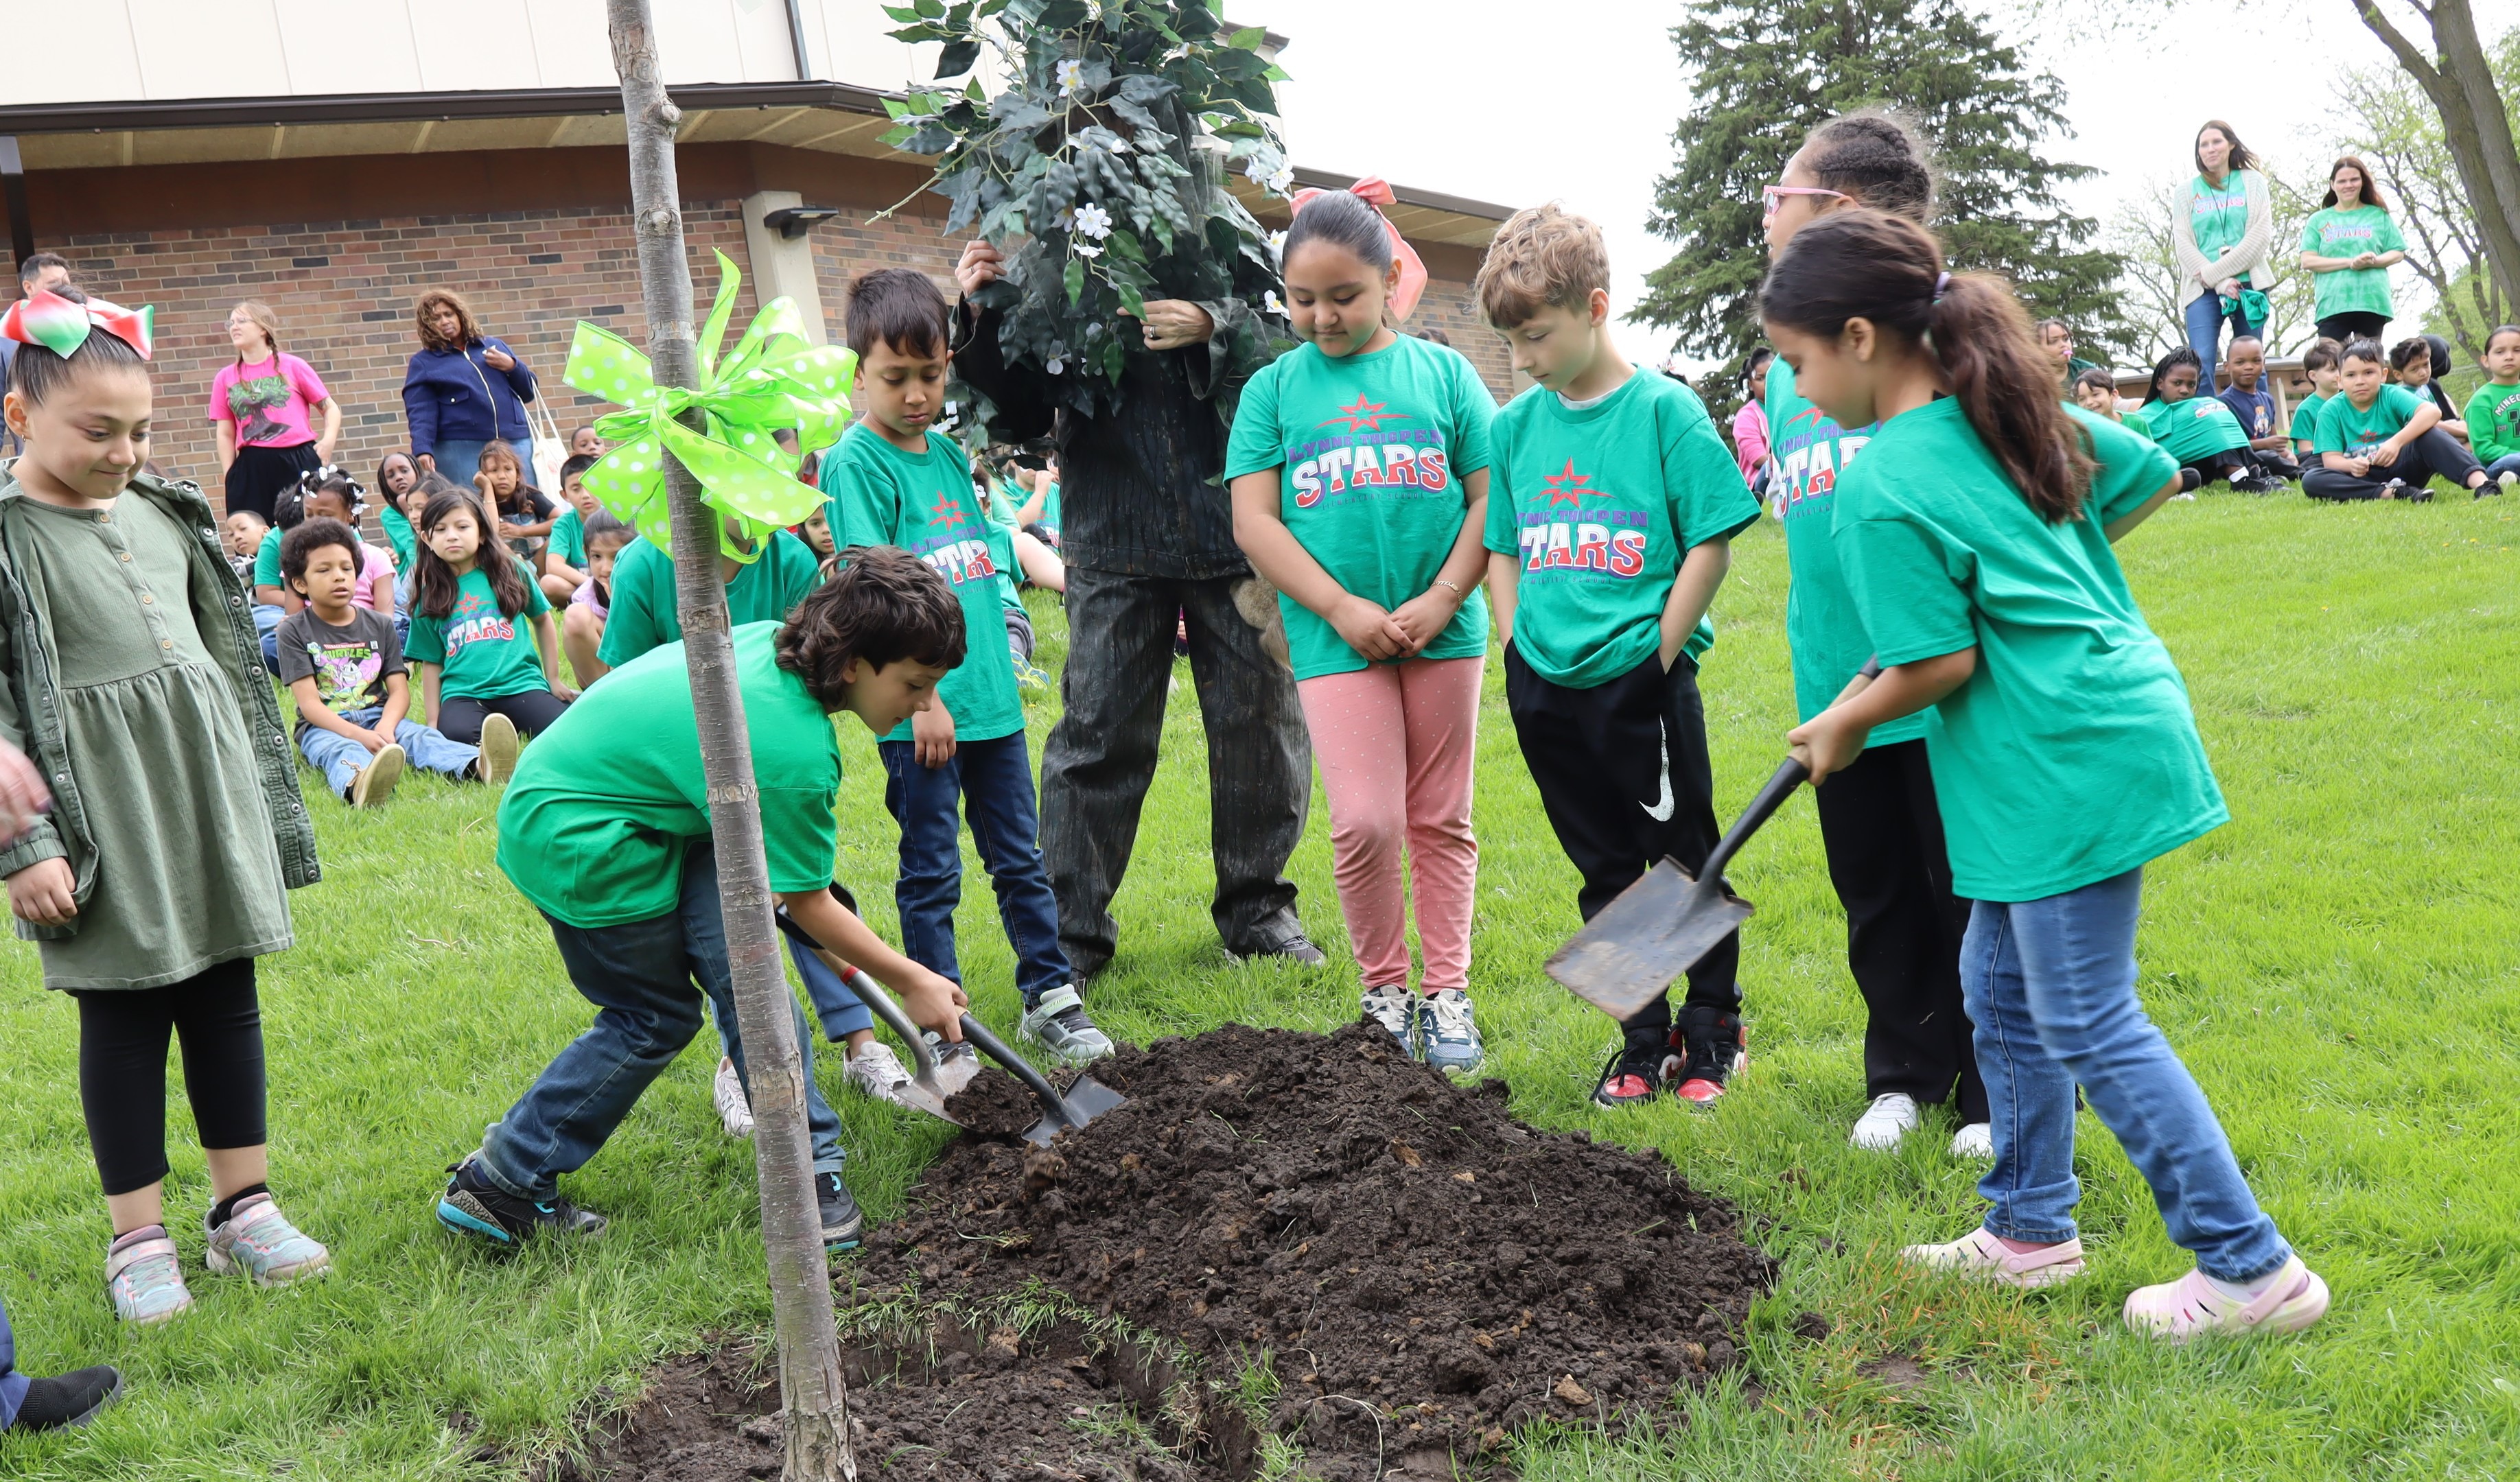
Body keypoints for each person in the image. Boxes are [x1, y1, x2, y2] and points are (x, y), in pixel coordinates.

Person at [1766, 208, 2329, 1341]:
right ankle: (2028, 1232)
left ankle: (2250, 1268)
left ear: (1862, 337)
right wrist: (2032, 572)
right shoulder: (2005, 409)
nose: (1795, 387)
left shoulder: (1879, 483)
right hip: (2088, 723)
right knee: (2000, 990)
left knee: (2084, 1014)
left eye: (1797, 361)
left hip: (2057, 751)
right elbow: (2150, 470)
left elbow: (1935, 661)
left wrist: (1841, 728)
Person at [433, 550, 973, 1249]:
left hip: (649, 816)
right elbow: (807, 903)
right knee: (650, 1018)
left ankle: (807, 1166)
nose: (925, 705)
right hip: (583, 835)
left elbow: (788, 889)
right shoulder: (794, 752)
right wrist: (914, 981)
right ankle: (501, 1182)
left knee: (752, 990)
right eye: (916, 685)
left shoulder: (770, 647)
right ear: (853, 665)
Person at [0, 285, 327, 1324]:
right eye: (97, 431)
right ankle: (137, 1237)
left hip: (199, 781)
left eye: (139, 430)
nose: (123, 451)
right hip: (101, 806)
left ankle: (245, 1209)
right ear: (20, 418)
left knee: (228, 993)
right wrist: (26, 845)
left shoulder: (163, 507)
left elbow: (217, 655)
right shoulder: (8, 536)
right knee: (128, 1010)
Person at [950, 224, 1323, 982]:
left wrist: (1212, 324)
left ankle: (1258, 912)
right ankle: (1070, 935)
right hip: (1111, 531)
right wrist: (983, 310)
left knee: (1261, 723)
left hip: (1234, 528)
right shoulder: (1055, 261)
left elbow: (1294, 344)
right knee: (1098, 732)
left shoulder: (1224, 235)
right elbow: (1020, 411)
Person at [1475, 203, 1760, 1103]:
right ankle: (1642, 1037)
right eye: (1512, 342)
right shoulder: (1516, 428)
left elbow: (1711, 540)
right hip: (1548, 687)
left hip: (1643, 682)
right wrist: (1519, 644)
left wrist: (1657, 659)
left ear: (1595, 306)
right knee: (1601, 866)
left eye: (1536, 336)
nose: (1523, 360)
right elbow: (1504, 548)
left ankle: (1712, 1030)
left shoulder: (1665, 412)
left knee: (1683, 859)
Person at [1754, 111, 1992, 1153]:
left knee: (1968, 899)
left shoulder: (1938, 356)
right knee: (1876, 893)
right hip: (1834, 684)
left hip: (1943, 689)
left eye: (1781, 192)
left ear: (1834, 209)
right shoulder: (1792, 366)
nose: (1766, 209)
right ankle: (1902, 1071)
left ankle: (1996, 1092)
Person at [1226, 186, 1495, 1072]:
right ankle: (1385, 993)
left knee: (1439, 819)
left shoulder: (1446, 375)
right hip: (1335, 638)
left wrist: (1447, 596)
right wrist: (1340, 608)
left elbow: (1490, 493)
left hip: (1442, 631)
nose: (1321, 315)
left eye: (1342, 296)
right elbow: (1255, 522)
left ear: (1388, 281)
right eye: (1302, 299)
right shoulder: (1272, 392)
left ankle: (1446, 993)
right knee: (1367, 822)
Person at [823, 267, 1108, 1068]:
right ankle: (942, 1024)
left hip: (991, 705)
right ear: (859, 376)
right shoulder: (856, 465)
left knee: (1020, 856)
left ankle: (1049, 996)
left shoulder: (949, 455)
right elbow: (873, 597)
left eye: (931, 374)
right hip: (924, 713)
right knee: (931, 869)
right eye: (895, 378)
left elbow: (981, 561)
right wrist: (923, 703)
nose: (916, 394)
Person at [275, 517, 509, 806]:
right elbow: (310, 705)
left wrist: (386, 726)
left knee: (420, 737)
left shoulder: (379, 625)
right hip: (324, 727)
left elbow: (399, 691)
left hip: (379, 715)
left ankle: (478, 766)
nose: (339, 576)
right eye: (324, 570)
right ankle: (362, 784)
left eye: (347, 568)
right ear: (300, 582)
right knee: (339, 750)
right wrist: (359, 735)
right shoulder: (293, 630)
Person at [404, 486, 572, 744]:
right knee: (458, 737)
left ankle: (513, 725)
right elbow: (431, 662)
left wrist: (553, 679)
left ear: (482, 533)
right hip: (464, 694)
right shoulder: (429, 595)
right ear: (427, 539)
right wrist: (433, 721)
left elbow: (542, 619)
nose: (452, 536)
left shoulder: (510, 571)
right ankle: (492, 747)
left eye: (462, 527)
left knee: (563, 732)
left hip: (521, 685)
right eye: (441, 529)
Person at [2307, 338, 2492, 502]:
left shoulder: (2392, 395)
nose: (2360, 381)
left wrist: (2396, 442)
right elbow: (2331, 461)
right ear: (2340, 380)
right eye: (2351, 375)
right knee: (2312, 479)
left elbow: (2431, 412)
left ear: (2383, 375)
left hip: (2401, 467)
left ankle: (2485, 486)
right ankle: (2392, 494)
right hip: (2360, 476)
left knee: (2431, 434)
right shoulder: (2330, 410)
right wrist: (2351, 465)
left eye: (2369, 373)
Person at [210, 302, 339, 523]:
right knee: (253, 535)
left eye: (241, 321)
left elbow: (330, 408)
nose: (234, 327)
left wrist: (327, 442)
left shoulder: (293, 366)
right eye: (231, 323)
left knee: (308, 529)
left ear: (263, 329)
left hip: (298, 459)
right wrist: (230, 474)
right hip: (251, 466)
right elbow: (225, 433)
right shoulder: (225, 377)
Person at [2172, 121, 2276, 395]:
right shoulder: (2185, 192)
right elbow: (2183, 245)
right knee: (2200, 361)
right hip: (2201, 288)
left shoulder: (2253, 182)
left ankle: (2259, 427)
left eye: (2216, 142)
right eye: (2203, 145)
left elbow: (2259, 238)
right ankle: (2211, 431)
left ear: (2231, 144)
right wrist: (2218, 282)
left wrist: (2217, 274)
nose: (2210, 149)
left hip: (2249, 286)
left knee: (2251, 363)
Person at [402, 288, 539, 488]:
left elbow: (528, 393)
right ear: (428, 326)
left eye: (449, 314)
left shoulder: (493, 346)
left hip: (515, 442)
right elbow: (420, 412)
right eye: (436, 318)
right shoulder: (424, 362)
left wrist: (512, 366)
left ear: (460, 315)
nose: (445, 321)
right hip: (462, 448)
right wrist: (423, 449)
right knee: (474, 509)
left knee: (526, 503)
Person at [2131, 349, 2278, 493]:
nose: (2184, 390)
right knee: (2209, 429)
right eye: (2177, 383)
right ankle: (2241, 478)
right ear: (2160, 384)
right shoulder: (2145, 415)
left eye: (2191, 385)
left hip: (2204, 466)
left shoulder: (2195, 407)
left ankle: (2256, 473)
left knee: (2218, 419)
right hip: (2171, 468)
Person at [2298, 157, 2406, 346]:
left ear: (2362, 182)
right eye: (2342, 181)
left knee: (2368, 362)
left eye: (2354, 179)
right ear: (2332, 185)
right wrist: (2351, 262)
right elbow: (2308, 260)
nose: (2348, 185)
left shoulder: (2378, 215)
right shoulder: (2318, 220)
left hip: (2371, 300)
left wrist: (2372, 261)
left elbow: (2397, 252)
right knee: (2330, 364)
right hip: (2332, 303)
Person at [0, 254, 73, 457]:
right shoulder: (5, 340)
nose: (63, 290)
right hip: (37, 462)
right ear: (29, 287)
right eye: (53, 284)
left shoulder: (85, 329)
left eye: (67, 283)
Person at [560, 510, 633, 689]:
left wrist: (620, 605)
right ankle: (604, 699)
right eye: (597, 557)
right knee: (575, 615)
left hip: (641, 670)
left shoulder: (645, 586)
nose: (606, 568)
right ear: (586, 553)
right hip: (604, 675)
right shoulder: (587, 597)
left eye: (616, 556)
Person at [2215, 336, 2300, 479]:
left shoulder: (2267, 399)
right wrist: (2265, 444)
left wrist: (2288, 454)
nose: (2249, 367)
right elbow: (2228, 448)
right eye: (2240, 362)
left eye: (2256, 361)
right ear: (2227, 366)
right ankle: (2301, 473)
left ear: (2264, 364)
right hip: (2245, 459)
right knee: (2267, 456)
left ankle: (2292, 468)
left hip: (2270, 454)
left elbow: (2273, 438)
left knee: (2307, 455)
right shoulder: (2223, 403)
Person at [474, 438, 555, 563]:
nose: (502, 476)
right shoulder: (479, 503)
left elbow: (563, 521)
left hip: (539, 563)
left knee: (557, 537)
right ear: (483, 475)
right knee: (499, 545)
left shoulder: (529, 495)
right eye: (494, 470)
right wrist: (487, 488)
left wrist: (522, 531)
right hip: (508, 567)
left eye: (508, 469)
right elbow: (492, 532)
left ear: (517, 474)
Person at [2461, 324, 2520, 484]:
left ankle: (2513, 479)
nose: (2509, 356)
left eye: (2517, 350)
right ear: (2486, 361)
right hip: (2494, 466)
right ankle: (2507, 478)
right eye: (2500, 352)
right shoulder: (2481, 400)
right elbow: (2483, 450)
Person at [540, 452, 602, 604]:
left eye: (591, 486)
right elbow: (553, 565)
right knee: (548, 583)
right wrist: (593, 585)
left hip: (614, 582)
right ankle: (592, 598)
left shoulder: (616, 517)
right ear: (565, 495)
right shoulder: (564, 524)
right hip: (584, 584)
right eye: (576, 489)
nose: (585, 495)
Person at [2388, 336, 2466, 439]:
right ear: (2399, 375)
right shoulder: (2404, 396)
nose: (2423, 373)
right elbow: (2431, 424)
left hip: (2442, 431)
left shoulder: (2427, 386)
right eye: (2414, 369)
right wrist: (2466, 434)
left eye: (2426, 365)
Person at [2291, 339, 2344, 467]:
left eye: (2341, 369)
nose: (2339, 374)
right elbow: (2305, 449)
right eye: (2332, 370)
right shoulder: (2306, 409)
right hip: (2314, 457)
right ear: (2313, 376)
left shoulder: (2349, 401)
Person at [1732, 346, 1773, 495]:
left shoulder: (1787, 408)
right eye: (1760, 378)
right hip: (1759, 482)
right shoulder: (1746, 416)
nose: (1767, 382)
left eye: (1771, 376)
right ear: (1750, 384)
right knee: (1770, 467)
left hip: (1787, 470)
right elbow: (1759, 460)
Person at [375, 450, 421, 574]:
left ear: (417, 471)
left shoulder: (435, 499)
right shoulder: (389, 515)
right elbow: (412, 545)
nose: (399, 477)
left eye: (404, 471)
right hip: (414, 573)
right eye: (391, 476)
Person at [2039, 319, 2099, 390]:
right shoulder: (2030, 377)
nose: (2063, 345)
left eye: (2066, 339)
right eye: (2054, 341)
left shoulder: (2087, 370)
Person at [222, 508, 268, 585]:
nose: (237, 537)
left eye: (243, 528)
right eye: (231, 534)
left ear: (265, 531)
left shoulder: (285, 552)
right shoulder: (237, 564)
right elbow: (237, 572)